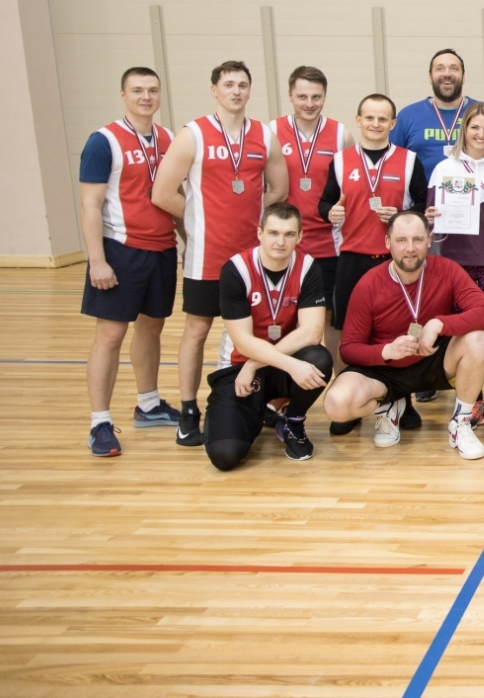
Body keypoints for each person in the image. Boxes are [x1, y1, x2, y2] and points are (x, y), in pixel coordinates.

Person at [152, 61, 288, 448]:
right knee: (196, 331)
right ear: (214, 89)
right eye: (228, 84)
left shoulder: (264, 134)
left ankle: (255, 399)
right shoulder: (192, 133)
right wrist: (200, 219)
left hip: (253, 259)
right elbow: (162, 193)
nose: (236, 91)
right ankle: (188, 410)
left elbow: (279, 188)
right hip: (206, 256)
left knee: (256, 332)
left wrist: (256, 221)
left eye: (243, 85)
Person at [323, 211, 484, 460]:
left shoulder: (447, 269)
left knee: (478, 339)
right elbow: (348, 348)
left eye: (417, 239)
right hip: (384, 370)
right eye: (401, 240)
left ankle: (461, 424)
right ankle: (388, 405)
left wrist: (439, 324)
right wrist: (386, 351)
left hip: (433, 360)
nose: (410, 248)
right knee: (336, 405)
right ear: (388, 243)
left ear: (429, 239)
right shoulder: (369, 284)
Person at [78, 67, 181, 456]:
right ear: (123, 94)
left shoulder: (169, 138)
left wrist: (191, 243)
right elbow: (90, 205)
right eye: (137, 90)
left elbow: (175, 198)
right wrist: (97, 260)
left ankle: (149, 404)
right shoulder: (103, 141)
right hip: (120, 251)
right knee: (110, 336)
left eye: (152, 90)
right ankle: (99, 423)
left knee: (152, 328)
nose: (146, 97)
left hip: (161, 249)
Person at [319, 93, 428, 435]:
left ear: (393, 124)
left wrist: (402, 216)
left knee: (402, 327)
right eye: (370, 118)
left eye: (383, 119)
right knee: (343, 332)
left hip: (395, 260)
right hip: (351, 258)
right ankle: (347, 401)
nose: (376, 124)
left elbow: (424, 209)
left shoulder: (409, 161)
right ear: (359, 120)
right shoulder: (340, 161)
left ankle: (402, 399)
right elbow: (324, 203)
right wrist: (329, 212)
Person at [204, 203, 333, 470]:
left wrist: (256, 365)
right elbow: (243, 341)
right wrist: (254, 365)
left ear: (299, 237)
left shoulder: (308, 267)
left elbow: (311, 331)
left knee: (318, 359)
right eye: (273, 233)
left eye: (289, 234)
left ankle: (293, 422)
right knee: (225, 455)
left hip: (263, 365)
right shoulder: (236, 270)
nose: (280, 241)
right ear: (259, 232)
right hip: (237, 366)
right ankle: (254, 414)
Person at [425, 103, 484, 442]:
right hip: (455, 267)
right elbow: (430, 220)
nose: (481, 134)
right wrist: (430, 214)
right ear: (464, 129)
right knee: (464, 339)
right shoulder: (443, 169)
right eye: (475, 127)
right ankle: (473, 403)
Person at [269, 66, 347, 368]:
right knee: (283, 317)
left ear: (325, 96)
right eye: (302, 96)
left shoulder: (341, 134)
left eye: (316, 96)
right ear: (290, 96)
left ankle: (341, 388)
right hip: (285, 243)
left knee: (330, 319)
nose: (309, 103)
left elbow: (351, 185)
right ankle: (281, 395)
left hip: (329, 244)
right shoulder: (271, 131)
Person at [389, 48, 484, 183]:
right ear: (430, 77)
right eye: (440, 68)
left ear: (464, 77)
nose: (447, 74)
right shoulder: (408, 116)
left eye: (454, 69)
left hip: (477, 200)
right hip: (424, 202)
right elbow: (390, 163)